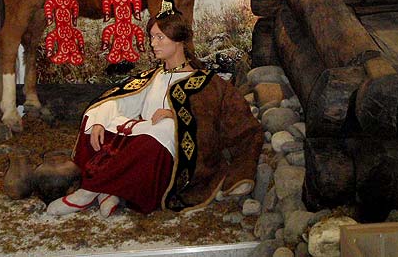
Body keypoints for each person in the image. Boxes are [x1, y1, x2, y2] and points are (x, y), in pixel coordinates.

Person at [47, 11, 263, 217]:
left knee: (163, 129)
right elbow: (121, 102)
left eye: (160, 37)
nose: (153, 44)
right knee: (95, 117)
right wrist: (99, 122)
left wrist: (175, 117)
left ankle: (89, 191)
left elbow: (217, 123)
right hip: (146, 134)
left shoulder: (206, 82)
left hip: (172, 153)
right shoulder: (152, 77)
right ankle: (110, 191)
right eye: (152, 37)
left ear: (178, 40)